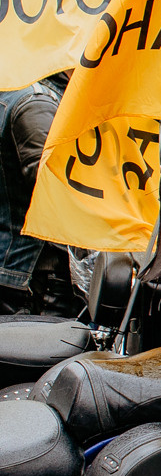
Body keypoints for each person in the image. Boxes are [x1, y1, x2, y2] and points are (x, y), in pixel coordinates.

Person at [0, 74, 72, 316]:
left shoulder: (16, 91)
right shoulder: (35, 103)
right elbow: (55, 193)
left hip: (17, 272)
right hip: (29, 279)